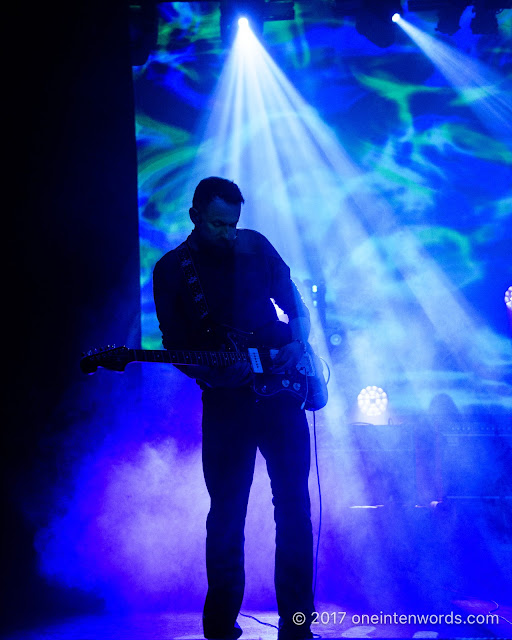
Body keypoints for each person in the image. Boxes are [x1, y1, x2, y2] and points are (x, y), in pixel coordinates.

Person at [153, 177, 315, 640]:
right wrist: (210, 373)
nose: (228, 233)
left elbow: (294, 304)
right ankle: (220, 626)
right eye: (218, 224)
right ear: (195, 216)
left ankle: (298, 623)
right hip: (226, 405)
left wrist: (298, 345)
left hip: (282, 397)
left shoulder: (256, 246)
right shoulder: (171, 270)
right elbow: (176, 346)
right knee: (226, 512)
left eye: (233, 224)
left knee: (294, 506)